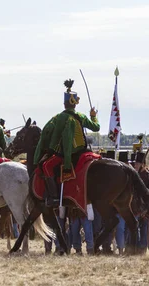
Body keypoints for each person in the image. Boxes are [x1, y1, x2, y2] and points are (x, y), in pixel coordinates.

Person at [33, 79, 100, 207]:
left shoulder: (59, 117)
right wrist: (93, 116)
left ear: (64, 104)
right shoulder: (82, 116)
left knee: (47, 166)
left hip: (68, 154)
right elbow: (96, 127)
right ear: (75, 104)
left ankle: (54, 197)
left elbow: (50, 133)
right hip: (83, 151)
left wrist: (48, 150)